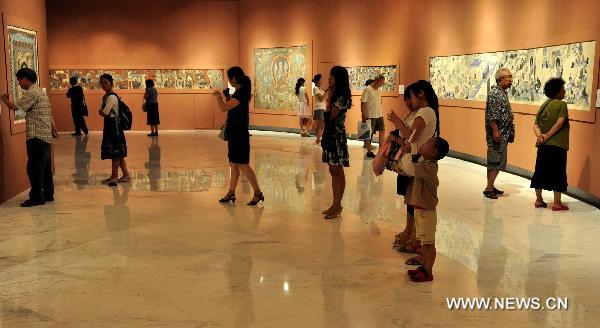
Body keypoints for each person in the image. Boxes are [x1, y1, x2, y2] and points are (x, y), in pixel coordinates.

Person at [387, 80, 440, 253]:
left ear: (421, 94)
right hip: (413, 160)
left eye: (410, 97)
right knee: (411, 200)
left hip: (414, 161)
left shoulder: (425, 112)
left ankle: (416, 239)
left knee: (415, 201)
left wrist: (396, 121)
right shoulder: (425, 112)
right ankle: (412, 235)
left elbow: (412, 137)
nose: (409, 102)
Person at [1, 68, 58, 207]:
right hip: (44, 135)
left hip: (36, 136)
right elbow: (47, 113)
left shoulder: (32, 92)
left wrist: (4, 100)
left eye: (19, 80)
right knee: (44, 167)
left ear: (25, 78)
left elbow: (17, 108)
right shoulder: (40, 92)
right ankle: (48, 194)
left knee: (34, 168)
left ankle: (37, 197)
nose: (19, 83)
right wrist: (53, 129)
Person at [397, 136, 450, 282]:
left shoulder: (430, 167)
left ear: (433, 152)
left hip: (426, 211)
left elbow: (410, 169)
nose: (424, 144)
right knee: (424, 244)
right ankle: (424, 267)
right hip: (420, 209)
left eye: (427, 143)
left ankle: (428, 271)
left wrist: (407, 153)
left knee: (428, 244)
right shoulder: (424, 162)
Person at [215, 66, 264, 206]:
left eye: (229, 78)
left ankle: (258, 193)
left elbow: (224, 108)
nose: (229, 81)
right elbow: (233, 106)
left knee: (242, 165)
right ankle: (231, 192)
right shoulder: (240, 92)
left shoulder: (241, 93)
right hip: (235, 132)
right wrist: (227, 97)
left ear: (234, 78)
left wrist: (218, 96)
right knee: (234, 164)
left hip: (239, 134)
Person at [531, 78, 570, 211]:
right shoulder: (562, 104)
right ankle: (557, 203)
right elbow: (560, 122)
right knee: (558, 173)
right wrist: (548, 135)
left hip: (543, 146)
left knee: (540, 171)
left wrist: (540, 136)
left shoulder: (544, 105)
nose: (564, 92)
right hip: (558, 145)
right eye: (563, 89)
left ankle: (539, 200)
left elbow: (535, 125)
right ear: (558, 91)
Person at [321, 66, 352, 219]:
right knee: (332, 170)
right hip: (329, 135)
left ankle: (337, 205)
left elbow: (329, 116)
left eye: (331, 76)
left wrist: (330, 97)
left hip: (337, 137)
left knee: (337, 170)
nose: (328, 78)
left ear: (337, 78)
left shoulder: (342, 97)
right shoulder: (335, 95)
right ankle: (334, 203)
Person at [484, 68, 515, 199]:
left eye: (511, 77)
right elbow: (492, 115)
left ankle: (491, 185)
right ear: (500, 79)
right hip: (498, 135)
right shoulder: (495, 94)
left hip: (503, 134)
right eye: (508, 77)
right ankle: (489, 188)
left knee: (498, 160)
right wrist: (496, 131)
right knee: (495, 161)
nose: (511, 80)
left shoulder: (501, 92)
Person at [98, 74, 130, 186]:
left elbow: (104, 112)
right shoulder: (106, 96)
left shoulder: (111, 97)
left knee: (115, 152)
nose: (103, 85)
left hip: (114, 126)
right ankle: (126, 175)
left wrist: (102, 111)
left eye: (105, 82)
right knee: (118, 152)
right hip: (111, 125)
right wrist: (102, 111)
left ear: (111, 83)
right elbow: (103, 111)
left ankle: (114, 176)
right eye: (101, 83)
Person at [361, 75, 386, 158]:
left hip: (379, 114)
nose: (381, 84)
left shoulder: (378, 91)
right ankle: (369, 151)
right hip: (370, 115)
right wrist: (364, 116)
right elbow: (363, 103)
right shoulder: (368, 89)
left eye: (382, 83)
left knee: (382, 130)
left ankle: (381, 151)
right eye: (380, 82)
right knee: (369, 133)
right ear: (376, 80)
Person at [312, 74, 327, 144]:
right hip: (319, 108)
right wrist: (326, 92)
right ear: (318, 80)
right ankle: (318, 139)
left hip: (323, 107)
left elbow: (324, 99)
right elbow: (320, 99)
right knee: (320, 125)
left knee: (323, 124)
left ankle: (319, 138)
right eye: (321, 79)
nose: (322, 80)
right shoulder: (315, 88)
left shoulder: (320, 89)